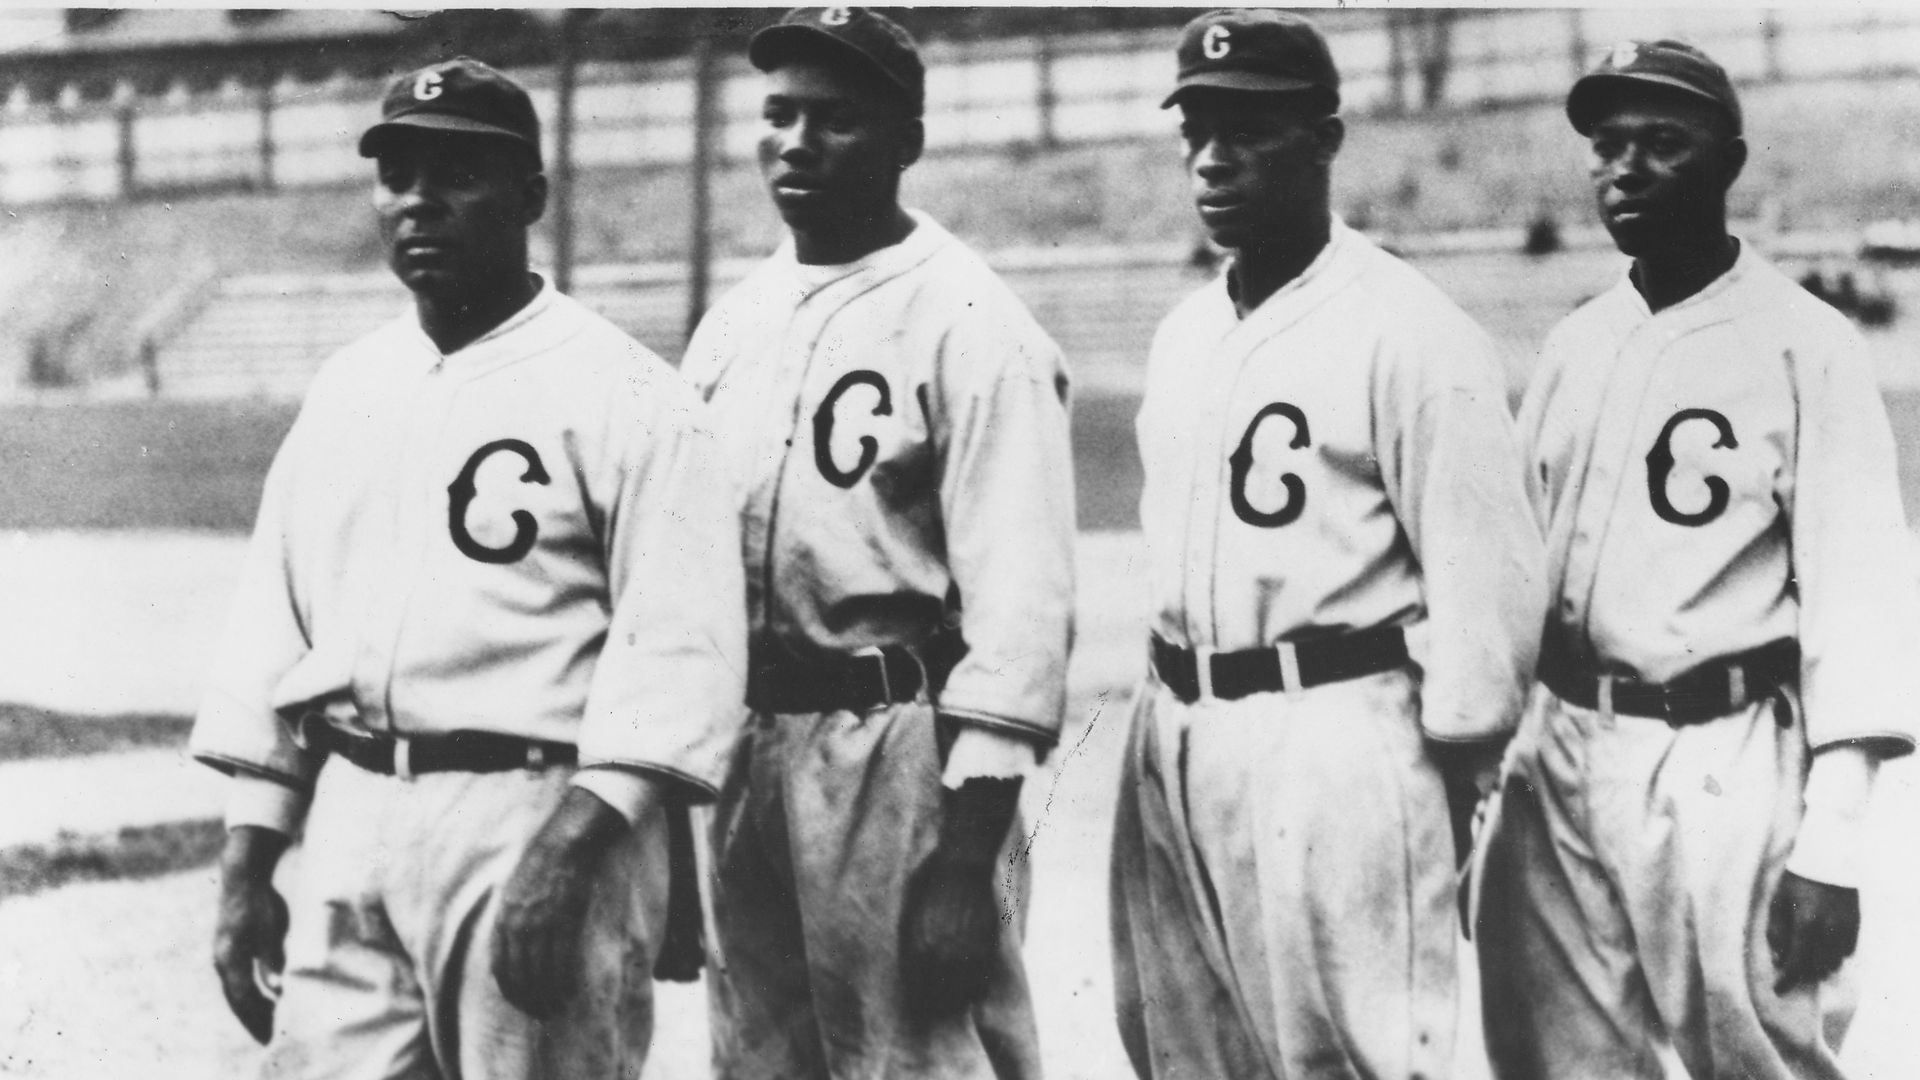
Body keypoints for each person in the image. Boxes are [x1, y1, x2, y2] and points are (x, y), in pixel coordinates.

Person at [190, 56, 746, 1079]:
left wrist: (574, 847)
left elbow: (681, 650)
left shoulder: (628, 394)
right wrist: (248, 856)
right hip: (354, 807)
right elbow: (275, 627)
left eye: (457, 174)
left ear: (531, 194)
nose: (418, 203)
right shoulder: (348, 387)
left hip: (535, 815)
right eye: (398, 174)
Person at [1108, 10, 1547, 1079]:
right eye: (1198, 128)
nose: (1213, 158)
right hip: (1177, 729)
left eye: (1248, 129)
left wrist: (1451, 766)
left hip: (1337, 732)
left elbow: (1487, 588)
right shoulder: (1184, 334)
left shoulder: (1410, 330)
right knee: (1186, 1051)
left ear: (1323, 139)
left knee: (1358, 1057)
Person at [1475, 39, 1920, 1080]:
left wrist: (1833, 842)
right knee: (1557, 1057)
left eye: (1663, 143)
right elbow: (1515, 574)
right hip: (1565, 748)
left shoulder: (1807, 342)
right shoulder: (1577, 342)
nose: (1625, 169)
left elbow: (1859, 599)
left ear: (1729, 163)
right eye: (1608, 144)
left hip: (1720, 755)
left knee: (1758, 1055)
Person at [678, 8, 1077, 1079]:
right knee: (756, 1062)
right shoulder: (735, 321)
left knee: (918, 1058)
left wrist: (968, 854)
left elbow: (1024, 609)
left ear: (907, 139)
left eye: (836, 120)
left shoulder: (972, 324)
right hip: (748, 752)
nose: (797, 143)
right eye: (779, 115)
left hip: (892, 748)